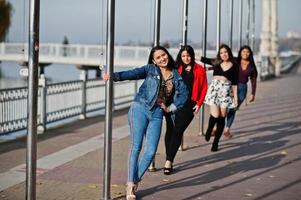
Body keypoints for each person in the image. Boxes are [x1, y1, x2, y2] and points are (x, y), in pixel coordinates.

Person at [102, 46, 188, 200]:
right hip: (139, 108)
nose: (162, 59)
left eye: (164, 55)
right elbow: (133, 73)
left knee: (150, 151)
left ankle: (135, 180)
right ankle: (130, 185)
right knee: (136, 146)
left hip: (157, 113)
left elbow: (184, 94)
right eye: (158, 57)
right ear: (154, 60)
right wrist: (114, 76)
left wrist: (170, 108)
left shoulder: (176, 76)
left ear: (167, 55)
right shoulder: (150, 69)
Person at [163, 45, 208, 175]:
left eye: (188, 55)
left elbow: (204, 88)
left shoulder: (199, 70)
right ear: (180, 57)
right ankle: (169, 158)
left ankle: (169, 160)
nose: (186, 58)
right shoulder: (176, 68)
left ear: (192, 55)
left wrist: (199, 104)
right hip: (173, 103)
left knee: (178, 130)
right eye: (183, 56)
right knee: (170, 130)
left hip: (189, 105)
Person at [201, 44, 238, 152]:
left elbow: (235, 83)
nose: (223, 54)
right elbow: (203, 59)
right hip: (214, 90)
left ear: (229, 53)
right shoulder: (216, 62)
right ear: (219, 54)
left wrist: (235, 98)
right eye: (221, 53)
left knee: (222, 117)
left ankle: (215, 143)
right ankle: (209, 129)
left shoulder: (234, 65)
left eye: (225, 52)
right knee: (215, 115)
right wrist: (189, 53)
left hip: (226, 92)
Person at [223, 45, 258, 137]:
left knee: (233, 109)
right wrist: (208, 68)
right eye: (243, 51)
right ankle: (216, 127)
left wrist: (253, 93)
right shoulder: (235, 60)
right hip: (232, 86)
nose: (245, 53)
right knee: (225, 108)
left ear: (250, 54)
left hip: (242, 89)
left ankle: (227, 129)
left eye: (247, 52)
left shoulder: (251, 66)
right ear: (240, 52)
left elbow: (253, 80)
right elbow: (221, 64)